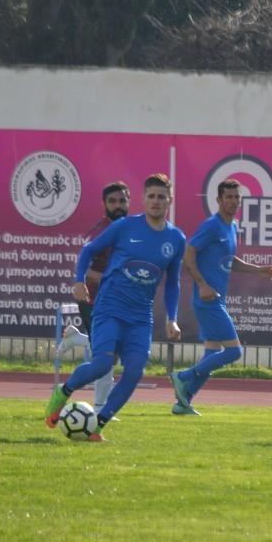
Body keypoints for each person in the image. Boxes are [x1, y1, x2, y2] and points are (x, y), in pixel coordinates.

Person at [44, 173, 186, 441]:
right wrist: (79, 281)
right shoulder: (124, 227)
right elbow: (88, 251)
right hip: (109, 307)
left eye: (161, 197)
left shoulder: (176, 239)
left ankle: (97, 427)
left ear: (170, 200)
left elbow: (172, 282)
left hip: (140, 316)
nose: (156, 201)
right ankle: (62, 393)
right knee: (101, 365)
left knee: (134, 372)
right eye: (151, 196)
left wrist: (172, 318)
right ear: (143, 199)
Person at [170, 179, 272, 415]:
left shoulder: (232, 226)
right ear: (218, 200)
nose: (233, 201)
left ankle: (183, 403)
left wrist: (257, 270)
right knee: (234, 352)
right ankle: (182, 376)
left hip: (216, 299)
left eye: (236, 197)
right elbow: (188, 252)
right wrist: (202, 285)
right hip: (208, 300)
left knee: (212, 354)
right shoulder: (212, 225)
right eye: (228, 197)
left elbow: (229, 260)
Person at [56, 181, 130, 415]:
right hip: (94, 300)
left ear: (129, 202)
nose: (118, 206)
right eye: (112, 201)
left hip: (117, 301)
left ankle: (77, 339)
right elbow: (83, 266)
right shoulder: (100, 231)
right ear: (104, 204)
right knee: (105, 355)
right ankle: (99, 410)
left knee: (111, 352)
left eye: (122, 201)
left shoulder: (128, 228)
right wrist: (109, 280)